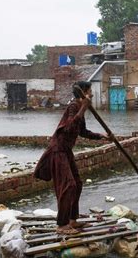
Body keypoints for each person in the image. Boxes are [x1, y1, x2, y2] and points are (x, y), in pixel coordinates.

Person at [34, 81, 109, 235]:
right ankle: (62, 225)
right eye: (90, 91)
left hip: (66, 151)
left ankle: (72, 219)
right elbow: (68, 127)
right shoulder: (74, 106)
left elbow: (82, 132)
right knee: (69, 186)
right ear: (84, 93)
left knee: (78, 184)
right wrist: (83, 107)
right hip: (58, 151)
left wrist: (102, 137)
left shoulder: (79, 108)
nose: (92, 94)